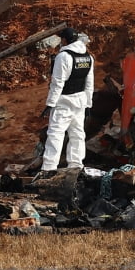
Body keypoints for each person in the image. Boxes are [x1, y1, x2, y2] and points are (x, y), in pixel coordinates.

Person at [40, 26, 94, 174]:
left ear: (64, 40)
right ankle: (76, 167)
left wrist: (50, 104)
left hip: (64, 103)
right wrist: (88, 104)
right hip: (80, 102)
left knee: (55, 135)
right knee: (77, 134)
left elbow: (57, 83)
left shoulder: (63, 57)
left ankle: (48, 169)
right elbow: (89, 83)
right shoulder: (88, 57)